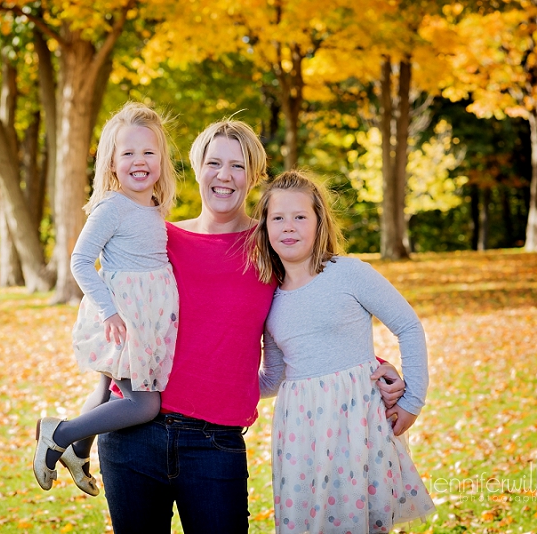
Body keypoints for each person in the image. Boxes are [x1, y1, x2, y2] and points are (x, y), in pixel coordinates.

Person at [96, 120, 406, 533]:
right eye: (214, 163)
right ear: (196, 166)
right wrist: (92, 414)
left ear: (255, 175)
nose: (224, 176)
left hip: (214, 446)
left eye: (238, 166)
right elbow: (118, 325)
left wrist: (371, 364)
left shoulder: (271, 245)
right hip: (131, 437)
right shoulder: (158, 239)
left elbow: (314, 313)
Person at [250, 170, 436, 533]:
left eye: (300, 217)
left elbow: (409, 326)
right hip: (300, 433)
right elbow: (273, 377)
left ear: (319, 222)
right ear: (265, 227)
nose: (289, 227)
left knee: (360, 522)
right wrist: (214, 386)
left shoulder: (348, 274)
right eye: (278, 218)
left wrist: (412, 400)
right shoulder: (269, 298)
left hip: (356, 424)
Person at [33, 102, 179, 497]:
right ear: (111, 163)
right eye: (128, 153)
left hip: (144, 314)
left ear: (162, 160)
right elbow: (80, 260)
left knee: (104, 389)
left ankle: (79, 451)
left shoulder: (152, 206)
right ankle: (59, 433)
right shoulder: (113, 207)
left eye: (149, 152)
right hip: (123, 315)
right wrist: (109, 311)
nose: (139, 161)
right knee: (144, 404)